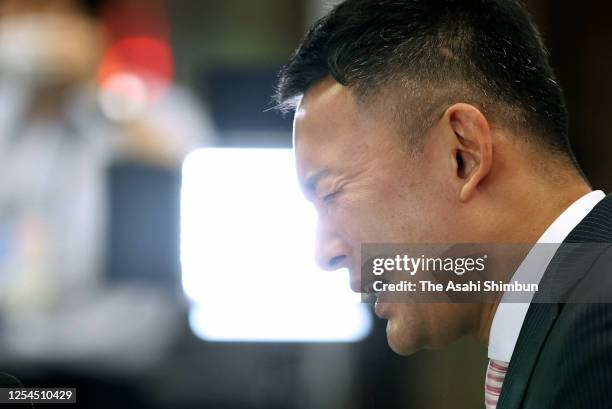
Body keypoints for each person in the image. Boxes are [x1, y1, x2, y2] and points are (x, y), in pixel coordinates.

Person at [274, 0, 612, 408]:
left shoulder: (597, 332)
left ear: (463, 155)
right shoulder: (570, 324)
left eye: (331, 192)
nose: (324, 254)